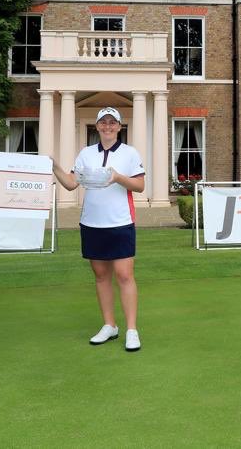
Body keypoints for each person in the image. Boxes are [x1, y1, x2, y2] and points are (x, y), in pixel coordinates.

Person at [52, 107, 146, 352]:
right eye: (103, 122)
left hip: (120, 222)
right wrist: (54, 167)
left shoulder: (129, 153)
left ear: (119, 126)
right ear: (97, 126)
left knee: (125, 276)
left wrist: (117, 178)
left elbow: (139, 186)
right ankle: (109, 325)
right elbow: (72, 183)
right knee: (101, 276)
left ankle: (132, 330)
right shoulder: (85, 153)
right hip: (92, 223)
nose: (107, 126)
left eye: (112, 122)